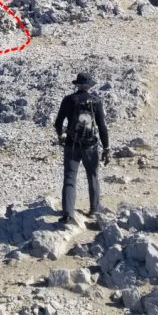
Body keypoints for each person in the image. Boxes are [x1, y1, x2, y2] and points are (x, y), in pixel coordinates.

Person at [54, 71, 110, 224]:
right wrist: (106, 148)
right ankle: (94, 209)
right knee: (92, 177)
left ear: (77, 85)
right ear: (89, 86)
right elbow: (102, 127)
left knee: (70, 178)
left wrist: (61, 136)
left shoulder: (68, 100)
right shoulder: (96, 101)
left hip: (71, 145)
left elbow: (58, 122)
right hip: (90, 145)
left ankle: (68, 214)